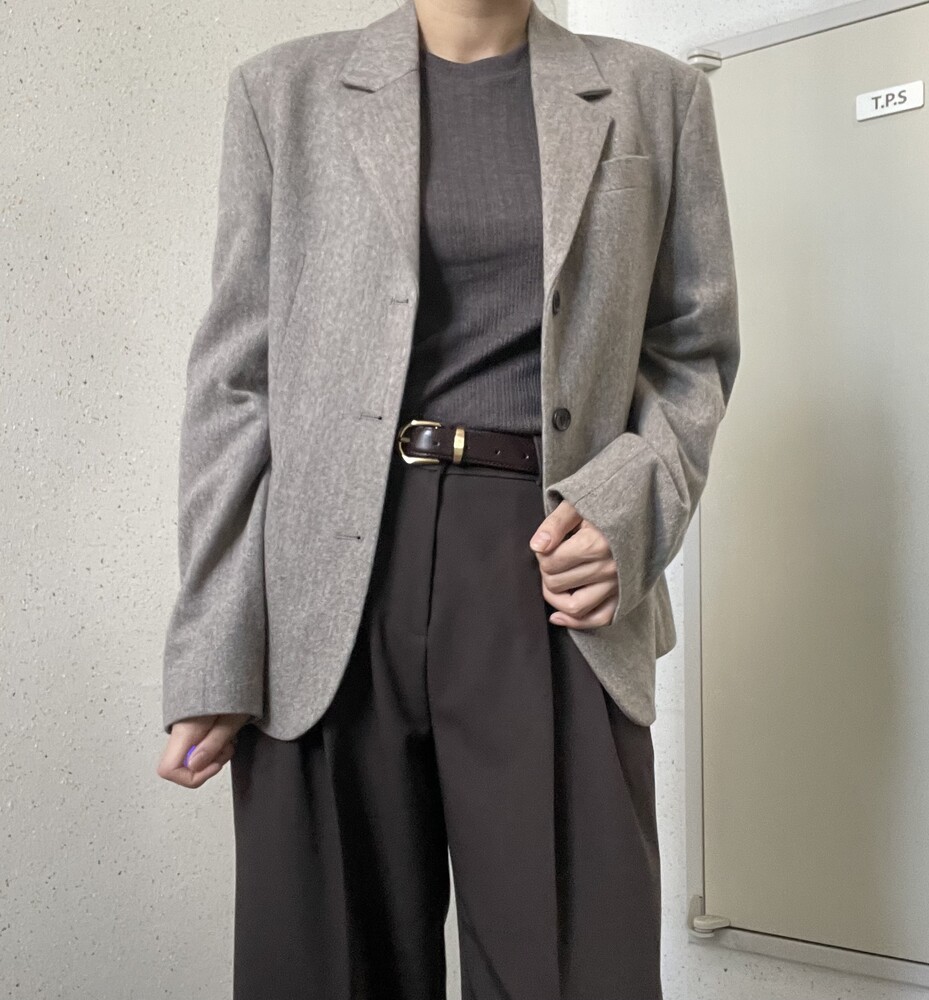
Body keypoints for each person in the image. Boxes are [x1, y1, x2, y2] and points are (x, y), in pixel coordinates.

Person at [156, 0, 739, 996]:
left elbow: (693, 351)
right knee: (330, 962)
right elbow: (235, 385)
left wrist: (627, 507)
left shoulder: (657, 95)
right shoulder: (282, 93)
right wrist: (215, 643)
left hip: (552, 566)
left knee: (573, 965)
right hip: (327, 585)